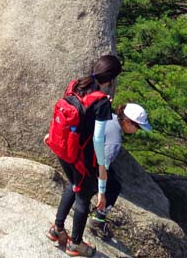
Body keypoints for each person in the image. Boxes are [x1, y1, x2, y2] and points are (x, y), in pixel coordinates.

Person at [44, 55, 121, 257]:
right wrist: (102, 167)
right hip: (81, 158)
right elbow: (97, 139)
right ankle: (75, 244)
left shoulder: (76, 85)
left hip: (63, 150)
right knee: (83, 196)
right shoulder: (102, 102)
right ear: (111, 80)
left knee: (73, 185)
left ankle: (57, 229)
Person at [88, 102, 152, 238]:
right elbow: (103, 167)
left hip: (83, 154)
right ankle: (98, 218)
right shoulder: (115, 140)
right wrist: (102, 193)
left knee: (113, 177)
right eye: (138, 127)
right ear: (128, 122)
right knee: (114, 187)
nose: (137, 131)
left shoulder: (109, 117)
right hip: (91, 165)